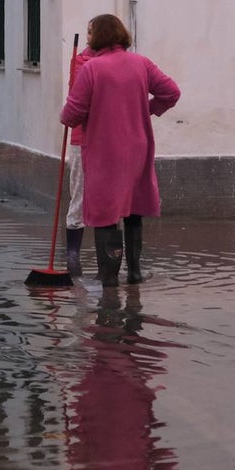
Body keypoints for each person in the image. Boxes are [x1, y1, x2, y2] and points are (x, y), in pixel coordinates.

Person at [59, 14, 181, 287]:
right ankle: (135, 272)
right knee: (133, 207)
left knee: (106, 210)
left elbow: (72, 113)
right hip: (137, 149)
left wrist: (63, 115)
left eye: (90, 33)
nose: (87, 38)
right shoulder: (142, 64)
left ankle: (108, 276)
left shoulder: (92, 69)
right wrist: (147, 110)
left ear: (100, 36)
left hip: (105, 151)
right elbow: (171, 92)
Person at [64, 27, 100, 277]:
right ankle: (73, 256)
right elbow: (77, 99)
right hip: (81, 138)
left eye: (92, 32)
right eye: (87, 32)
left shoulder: (116, 62)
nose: (88, 36)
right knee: (79, 193)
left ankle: (106, 259)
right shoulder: (81, 61)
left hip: (108, 141)